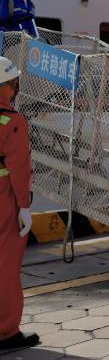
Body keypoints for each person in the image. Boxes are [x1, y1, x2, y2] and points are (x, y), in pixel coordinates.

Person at [0, 57, 39, 350]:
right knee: (6, 265)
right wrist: (24, 206)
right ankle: (6, 332)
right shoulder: (12, 120)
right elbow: (19, 167)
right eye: (13, 83)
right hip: (4, 199)